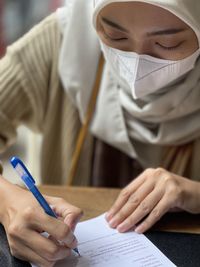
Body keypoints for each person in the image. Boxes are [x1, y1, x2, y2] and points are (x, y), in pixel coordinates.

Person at [0, 0, 200, 266]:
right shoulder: (64, 41)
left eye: (168, 43)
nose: (138, 66)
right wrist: (6, 200)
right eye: (114, 35)